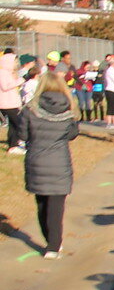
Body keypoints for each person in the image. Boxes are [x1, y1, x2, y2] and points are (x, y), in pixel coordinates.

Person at [22, 67, 79, 258]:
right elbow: (72, 134)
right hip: (59, 161)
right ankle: (54, 246)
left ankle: (50, 240)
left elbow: (22, 134)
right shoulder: (69, 109)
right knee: (56, 206)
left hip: (36, 159)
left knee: (41, 203)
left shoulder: (30, 108)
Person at [0, 48, 23, 154]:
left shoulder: (8, 73)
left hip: (11, 102)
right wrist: (20, 81)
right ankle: (15, 144)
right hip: (7, 104)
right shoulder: (3, 73)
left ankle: (13, 145)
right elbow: (5, 86)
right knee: (18, 123)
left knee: (14, 125)